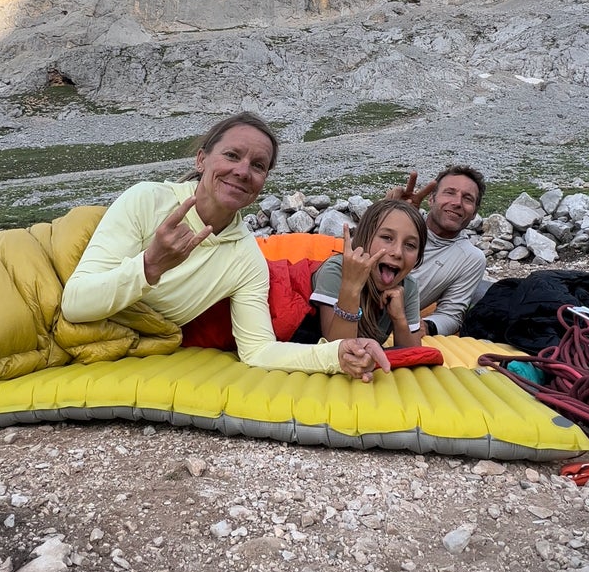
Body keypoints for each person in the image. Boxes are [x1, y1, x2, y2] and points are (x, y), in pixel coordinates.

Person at [61, 113, 390, 381]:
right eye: (232, 155)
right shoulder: (146, 201)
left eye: (258, 165)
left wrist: (337, 352)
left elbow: (258, 349)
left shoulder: (245, 258)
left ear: (262, 183)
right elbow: (74, 305)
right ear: (202, 159)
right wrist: (151, 266)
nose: (243, 171)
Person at [293, 199, 427, 347]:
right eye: (387, 238)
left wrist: (399, 318)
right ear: (364, 237)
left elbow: (414, 355)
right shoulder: (336, 271)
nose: (397, 252)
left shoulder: (408, 287)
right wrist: (351, 287)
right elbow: (338, 350)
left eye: (410, 245)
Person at [387, 167, 487, 337]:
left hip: (387, 325)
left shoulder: (471, 258)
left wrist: (427, 326)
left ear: (474, 213)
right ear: (431, 199)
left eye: (467, 198)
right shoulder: (401, 224)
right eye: (449, 193)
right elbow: (357, 256)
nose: (457, 203)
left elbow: (451, 313)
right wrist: (389, 214)